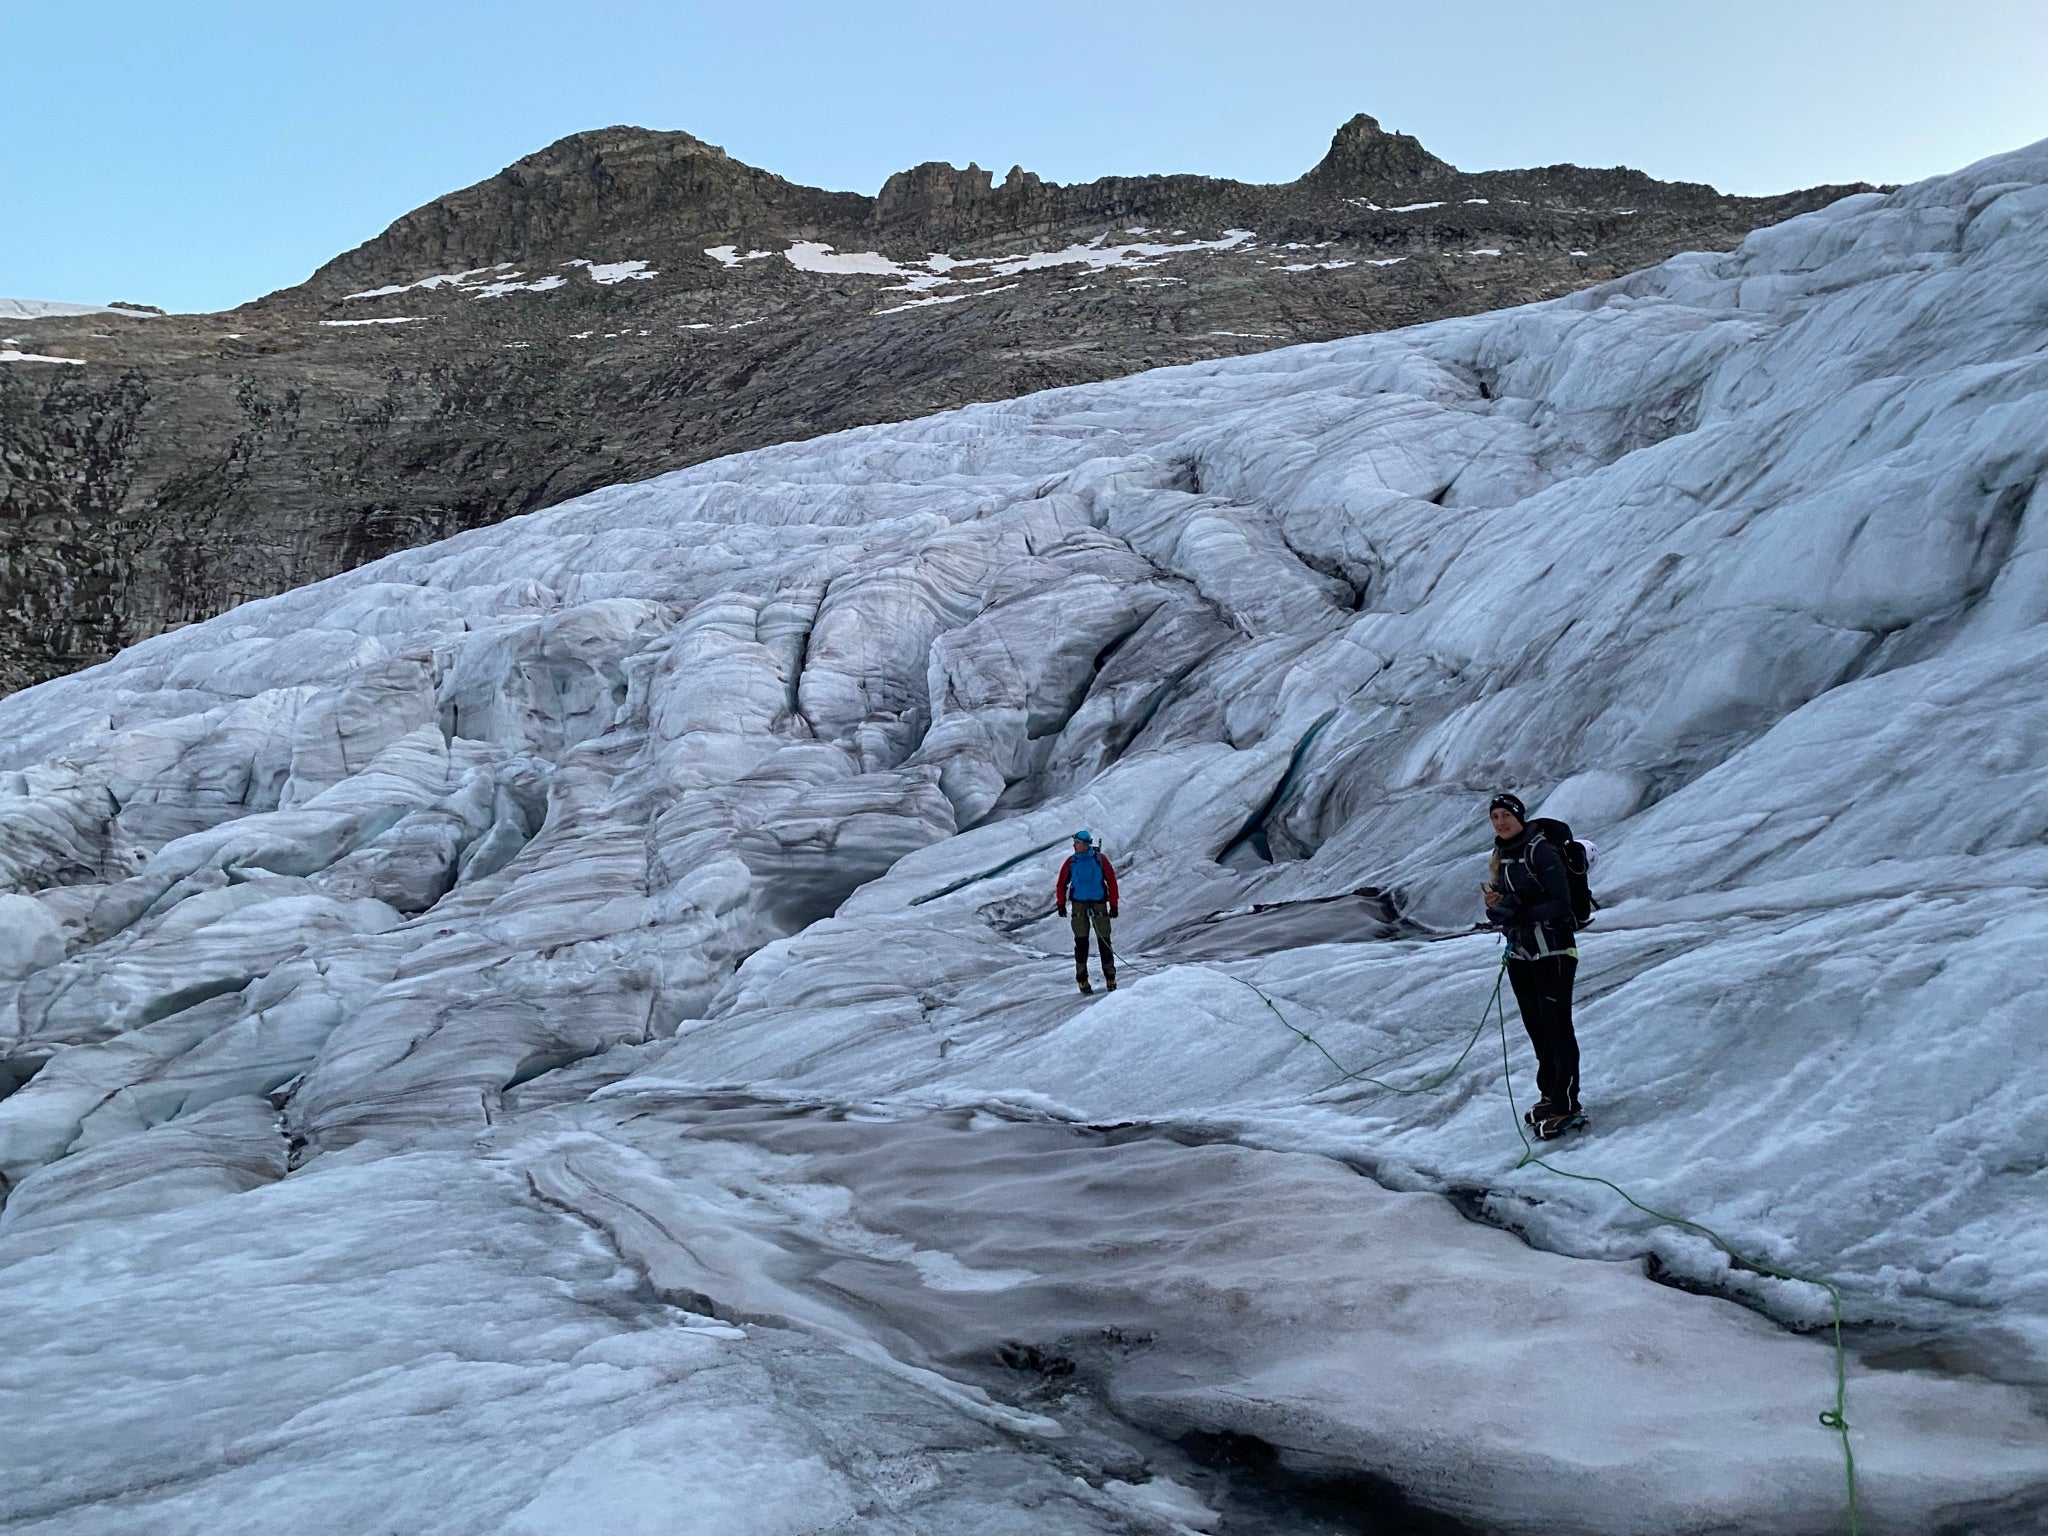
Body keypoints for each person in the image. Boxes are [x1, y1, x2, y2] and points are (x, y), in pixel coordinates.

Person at [1480, 793, 1582, 1138]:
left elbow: (1561, 902)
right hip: (1521, 953)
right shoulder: (1501, 855)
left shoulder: (1541, 850)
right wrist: (1496, 908)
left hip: (1553, 950)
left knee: (1556, 1027)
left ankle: (1568, 1104)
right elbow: (1503, 902)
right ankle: (1549, 1094)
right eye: (1494, 816)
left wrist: (1518, 911)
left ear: (1519, 816)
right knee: (1536, 1027)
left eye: (1505, 815)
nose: (1500, 822)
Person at [1055, 830, 1120, 994]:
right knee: (1082, 943)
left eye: (1076, 843)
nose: (1074, 845)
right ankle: (1082, 979)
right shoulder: (1072, 861)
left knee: (1103, 941)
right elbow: (1061, 883)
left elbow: (1111, 880)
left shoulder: (1098, 859)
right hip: (1080, 905)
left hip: (1097, 903)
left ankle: (1110, 977)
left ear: (1084, 844)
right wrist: (1061, 903)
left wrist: (1113, 904)